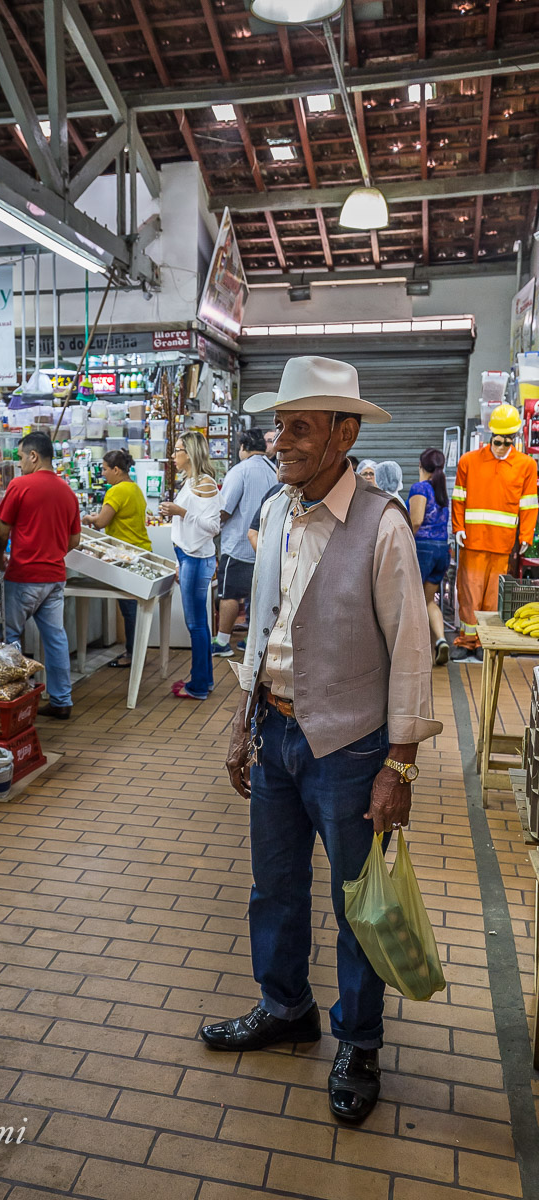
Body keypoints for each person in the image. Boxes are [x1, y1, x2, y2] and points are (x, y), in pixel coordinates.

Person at [203, 355, 441, 1126]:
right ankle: (285, 1006)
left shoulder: (382, 524)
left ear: (344, 433)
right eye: (280, 424)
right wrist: (243, 720)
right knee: (273, 887)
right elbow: (266, 623)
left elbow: (411, 651)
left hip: (351, 748)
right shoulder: (275, 510)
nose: (282, 439)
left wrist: (399, 765)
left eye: (300, 426)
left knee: (354, 902)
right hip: (276, 733)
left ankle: (359, 1040)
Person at [0, 432, 80, 719]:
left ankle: (15, 699)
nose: (19, 464)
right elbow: (75, 539)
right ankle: (61, 700)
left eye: (20, 457)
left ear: (33, 456)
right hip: (55, 577)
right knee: (56, 639)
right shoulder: (67, 491)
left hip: (23, 575)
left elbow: (2, 529)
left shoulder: (20, 485)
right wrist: (53, 551)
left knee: (9, 637)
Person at [451, 404, 539, 662]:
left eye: (506, 442)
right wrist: (458, 528)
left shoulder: (525, 465)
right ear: (491, 437)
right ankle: (467, 642)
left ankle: (485, 642)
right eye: (497, 441)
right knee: (469, 595)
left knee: (492, 600)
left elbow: (529, 504)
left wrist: (525, 536)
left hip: (502, 545)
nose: (501, 447)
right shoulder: (469, 461)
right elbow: (459, 498)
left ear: (514, 439)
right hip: (472, 542)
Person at [159, 431, 220, 700]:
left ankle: (197, 686)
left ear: (190, 453)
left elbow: (213, 526)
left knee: (196, 624)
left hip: (196, 558)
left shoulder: (205, 483)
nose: (173, 456)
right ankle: (202, 680)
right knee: (198, 624)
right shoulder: (191, 481)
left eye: (178, 450)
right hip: (188, 557)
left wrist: (180, 512)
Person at [82, 448, 150, 669]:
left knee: (129, 608)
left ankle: (131, 654)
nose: (103, 474)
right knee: (135, 608)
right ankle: (136, 650)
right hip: (141, 551)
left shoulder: (116, 491)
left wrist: (88, 517)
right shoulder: (135, 489)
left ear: (116, 470)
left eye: (104, 469)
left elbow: (101, 522)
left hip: (124, 556)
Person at [212, 429, 276, 657]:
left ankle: (222, 642)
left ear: (244, 448)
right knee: (258, 596)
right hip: (265, 546)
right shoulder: (274, 470)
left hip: (238, 545)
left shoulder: (240, 471)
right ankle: (252, 640)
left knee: (230, 594)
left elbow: (225, 509)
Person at [408, 448, 451, 666]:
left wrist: (405, 544)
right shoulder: (441, 489)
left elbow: (415, 521)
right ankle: (441, 640)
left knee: (413, 601)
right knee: (427, 601)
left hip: (422, 549)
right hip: (442, 550)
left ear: (421, 466)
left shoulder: (420, 488)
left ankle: (416, 651)